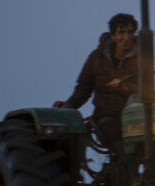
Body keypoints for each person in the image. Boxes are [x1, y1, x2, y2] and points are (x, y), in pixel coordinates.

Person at [53, 13, 140, 152]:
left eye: (130, 32)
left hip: (134, 113)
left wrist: (125, 86)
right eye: (121, 33)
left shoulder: (143, 57)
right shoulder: (96, 58)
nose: (126, 38)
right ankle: (124, 166)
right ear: (113, 36)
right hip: (107, 114)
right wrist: (69, 105)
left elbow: (147, 89)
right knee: (115, 135)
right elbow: (83, 88)